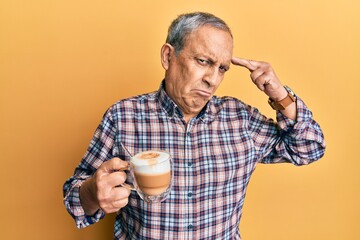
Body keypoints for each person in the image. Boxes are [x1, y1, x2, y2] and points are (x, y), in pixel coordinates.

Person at [63, 12, 325, 239]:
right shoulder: (123, 117)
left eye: (222, 68)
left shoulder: (241, 120)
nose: (213, 79)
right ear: (168, 56)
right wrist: (91, 194)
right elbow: (74, 197)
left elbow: (310, 148)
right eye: (203, 61)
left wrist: (280, 95)